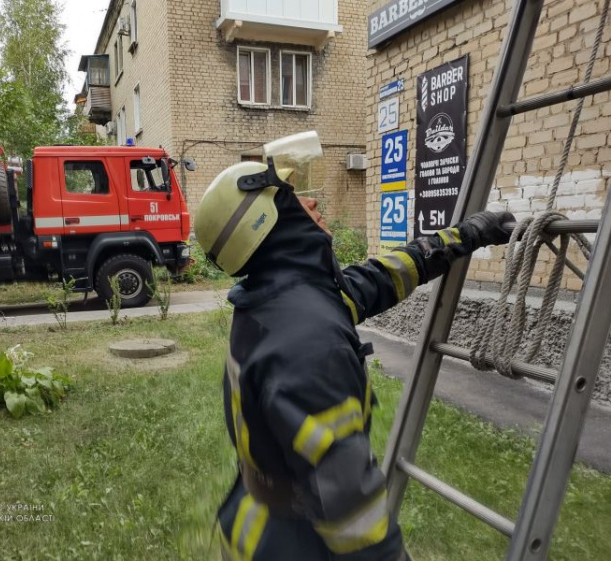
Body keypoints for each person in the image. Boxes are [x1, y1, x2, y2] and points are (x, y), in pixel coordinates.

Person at [194, 148, 514, 561]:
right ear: (267, 223)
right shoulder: (308, 342)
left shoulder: (280, 298)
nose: (310, 202)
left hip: (261, 524)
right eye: (292, 197)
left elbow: (378, 279)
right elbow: (350, 509)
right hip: (293, 545)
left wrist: (465, 235)